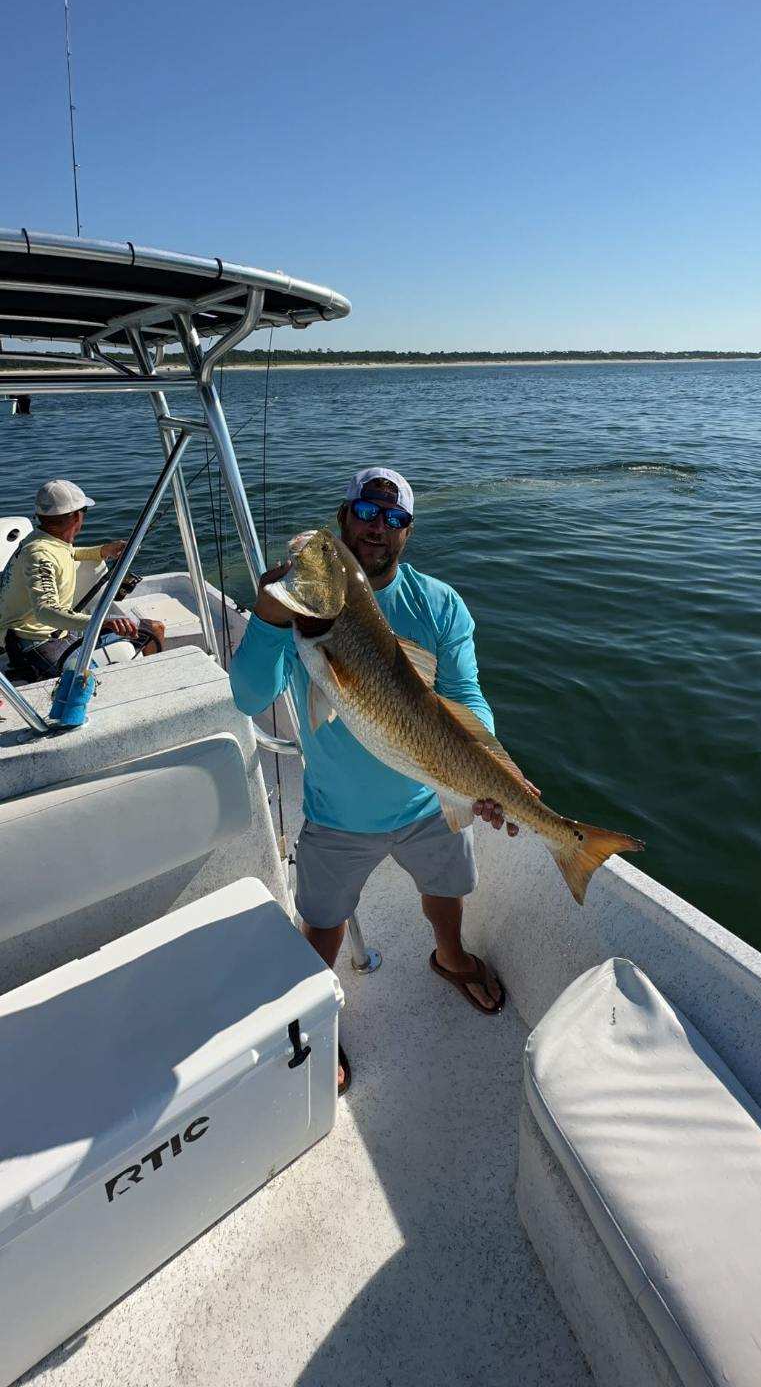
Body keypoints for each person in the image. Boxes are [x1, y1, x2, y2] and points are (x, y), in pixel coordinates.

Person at [229, 467, 525, 1094]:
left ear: (407, 532)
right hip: (337, 812)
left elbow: (467, 698)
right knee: (323, 920)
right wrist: (266, 616)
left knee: (447, 893)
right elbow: (249, 695)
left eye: (393, 519)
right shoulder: (297, 611)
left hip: (428, 797)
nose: (377, 527)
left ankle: (449, 957)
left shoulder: (439, 604)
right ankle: (319, 1015)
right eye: (366, 511)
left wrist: (493, 779)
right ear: (345, 516)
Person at [0, 479, 165, 680]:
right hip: (35, 643)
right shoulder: (39, 556)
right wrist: (101, 622)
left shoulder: (42, 539)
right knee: (93, 677)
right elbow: (45, 612)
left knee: (154, 628)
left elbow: (66, 554)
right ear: (77, 517)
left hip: (58, 632)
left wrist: (103, 551)